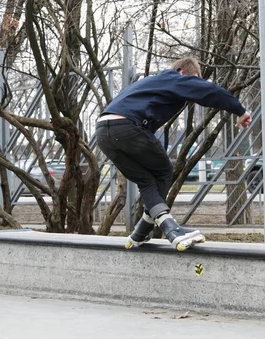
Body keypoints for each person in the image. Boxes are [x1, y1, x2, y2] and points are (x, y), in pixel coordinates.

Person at [95, 57, 252, 251]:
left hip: (103, 132)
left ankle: (141, 231)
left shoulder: (151, 83)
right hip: (127, 126)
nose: (190, 91)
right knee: (164, 170)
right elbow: (209, 91)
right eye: (193, 80)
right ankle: (171, 229)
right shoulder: (174, 78)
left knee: (147, 181)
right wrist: (240, 110)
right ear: (182, 72)